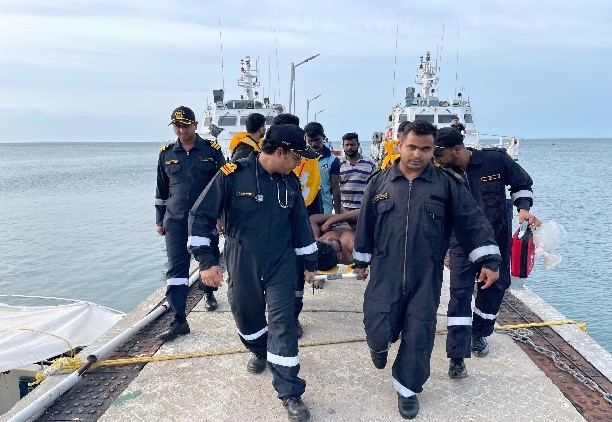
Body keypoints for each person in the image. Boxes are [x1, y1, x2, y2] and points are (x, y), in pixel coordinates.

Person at [353, 120, 502, 419]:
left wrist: (488, 261)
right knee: (377, 325)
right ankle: (378, 347)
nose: (417, 154)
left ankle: (408, 389)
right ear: (399, 145)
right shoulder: (379, 183)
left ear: (433, 150)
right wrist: (361, 261)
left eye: (425, 149)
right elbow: (366, 225)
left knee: (419, 333)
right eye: (412, 147)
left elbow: (472, 222)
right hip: (385, 272)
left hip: (426, 275)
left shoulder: (447, 184)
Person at [188, 124, 318, 422]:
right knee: (247, 319)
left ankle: (290, 391)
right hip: (242, 259)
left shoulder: (290, 181)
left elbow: (300, 223)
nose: (300, 163)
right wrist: (206, 262)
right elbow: (201, 215)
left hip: (281, 262)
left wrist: (310, 264)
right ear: (281, 151)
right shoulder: (232, 175)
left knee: (283, 324)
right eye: (297, 157)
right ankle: (261, 351)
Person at [433, 127, 541, 379]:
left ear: (457, 149)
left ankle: (479, 333)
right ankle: (457, 357)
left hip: (497, 240)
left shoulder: (495, 160)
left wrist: (523, 208)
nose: (435, 160)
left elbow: (522, 184)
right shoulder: (441, 173)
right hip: (462, 243)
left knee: (494, 289)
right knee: (459, 295)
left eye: (439, 154)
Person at [155, 106, 226, 341]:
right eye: (177, 126)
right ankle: (179, 320)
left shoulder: (212, 151)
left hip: (205, 220)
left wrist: (220, 217)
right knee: (176, 270)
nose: (181, 130)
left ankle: (209, 293)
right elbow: (161, 191)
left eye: (185, 125)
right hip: (174, 221)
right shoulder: (166, 154)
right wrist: (159, 220)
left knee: (209, 259)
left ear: (195, 125)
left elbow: (223, 186)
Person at [304, 122, 342, 214]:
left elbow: (335, 188)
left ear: (323, 137)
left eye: (317, 140)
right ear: (305, 138)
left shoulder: (333, 160)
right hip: (303, 207)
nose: (314, 144)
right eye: (310, 140)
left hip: (325, 208)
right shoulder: (300, 158)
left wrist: (337, 214)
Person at [339, 132, 376, 211]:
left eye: (352, 145)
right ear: (343, 146)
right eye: (347, 145)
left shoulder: (369, 163)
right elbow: (334, 188)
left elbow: (375, 186)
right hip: (344, 209)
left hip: (363, 208)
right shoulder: (338, 164)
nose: (349, 147)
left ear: (358, 145)